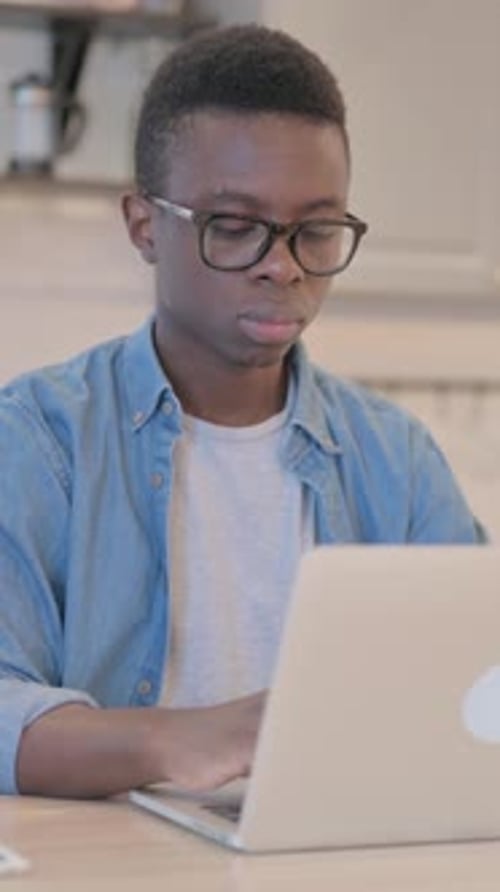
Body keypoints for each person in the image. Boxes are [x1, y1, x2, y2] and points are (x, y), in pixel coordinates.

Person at [0, 24, 485, 799]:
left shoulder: (396, 458)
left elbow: (474, 680)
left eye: (317, 230)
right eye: (235, 227)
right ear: (143, 226)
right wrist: (181, 739)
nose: (283, 265)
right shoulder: (35, 440)